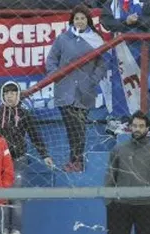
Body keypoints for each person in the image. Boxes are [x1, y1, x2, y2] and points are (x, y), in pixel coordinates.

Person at [0, 82, 54, 234]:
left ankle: (16, 231)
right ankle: (4, 231)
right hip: (0, 162)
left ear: (18, 95)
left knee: (16, 196)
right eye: (7, 93)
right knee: (1, 197)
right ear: (3, 95)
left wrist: (44, 154)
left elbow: (35, 135)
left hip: (18, 160)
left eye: (13, 93)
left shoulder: (25, 114)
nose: (10, 96)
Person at [46, 5, 108, 172]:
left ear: (88, 20)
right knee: (72, 126)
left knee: (79, 126)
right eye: (77, 18)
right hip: (64, 90)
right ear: (72, 20)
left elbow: (102, 65)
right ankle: (75, 160)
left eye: (82, 18)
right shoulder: (63, 39)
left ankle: (76, 160)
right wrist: (56, 75)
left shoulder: (96, 39)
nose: (79, 21)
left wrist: (92, 81)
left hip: (85, 91)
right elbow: (51, 59)